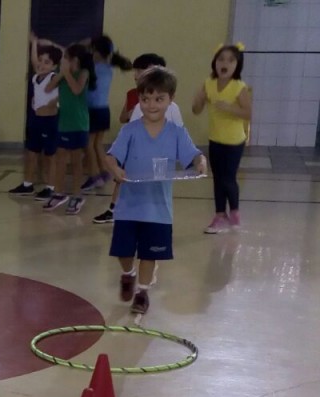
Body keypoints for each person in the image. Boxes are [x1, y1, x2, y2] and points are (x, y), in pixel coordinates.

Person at [103, 67, 207, 314]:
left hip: (158, 210)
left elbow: (193, 155)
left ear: (170, 100)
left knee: (149, 255)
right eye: (145, 99)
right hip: (129, 207)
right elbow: (110, 157)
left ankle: (142, 292)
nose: (151, 105)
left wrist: (200, 161)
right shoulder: (129, 130)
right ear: (139, 99)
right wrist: (115, 169)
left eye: (159, 99)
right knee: (124, 251)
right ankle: (128, 273)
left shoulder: (177, 133)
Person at [93, 53, 175, 224]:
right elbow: (123, 118)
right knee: (123, 178)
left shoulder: (167, 102)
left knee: (157, 184)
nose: (136, 75)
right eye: (136, 71)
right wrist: (131, 114)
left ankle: (155, 213)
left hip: (158, 150)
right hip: (135, 146)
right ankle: (115, 209)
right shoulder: (132, 94)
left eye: (140, 71)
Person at [192, 43, 252, 234]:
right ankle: (220, 215)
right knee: (217, 178)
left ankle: (234, 211)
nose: (224, 63)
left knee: (228, 179)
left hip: (234, 141)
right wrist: (199, 99)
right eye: (221, 59)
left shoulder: (238, 87)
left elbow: (248, 113)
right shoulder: (208, 83)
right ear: (215, 63)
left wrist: (230, 108)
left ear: (237, 65)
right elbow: (196, 110)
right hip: (215, 139)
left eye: (230, 60)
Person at [43, 44, 95, 214]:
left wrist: (66, 73)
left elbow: (76, 89)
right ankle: (58, 193)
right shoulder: (63, 75)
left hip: (78, 124)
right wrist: (61, 74)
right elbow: (48, 88)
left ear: (75, 60)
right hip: (64, 123)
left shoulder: (83, 73)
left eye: (66, 57)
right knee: (60, 159)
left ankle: (77, 195)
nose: (62, 60)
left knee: (76, 161)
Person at [10, 34, 61, 199]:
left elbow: (63, 94)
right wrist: (34, 43)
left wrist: (52, 103)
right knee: (31, 153)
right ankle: (27, 185)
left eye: (47, 62)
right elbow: (34, 61)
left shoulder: (54, 78)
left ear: (54, 66)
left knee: (49, 156)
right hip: (36, 120)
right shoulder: (36, 77)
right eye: (41, 60)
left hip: (50, 121)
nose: (41, 64)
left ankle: (50, 187)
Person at [81, 36, 132, 193]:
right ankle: (104, 173)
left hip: (93, 110)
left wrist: (87, 43)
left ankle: (94, 176)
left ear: (96, 51)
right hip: (104, 110)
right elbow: (109, 47)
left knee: (88, 144)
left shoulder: (92, 68)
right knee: (97, 144)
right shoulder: (109, 67)